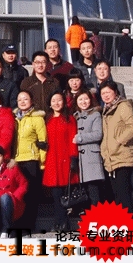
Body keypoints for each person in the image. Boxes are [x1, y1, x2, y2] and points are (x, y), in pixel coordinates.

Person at [100, 80, 133, 214]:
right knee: (117, 195)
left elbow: (132, 127)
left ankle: (128, 223)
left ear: (115, 92)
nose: (106, 95)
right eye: (103, 93)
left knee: (123, 194)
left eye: (108, 92)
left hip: (123, 156)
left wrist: (118, 141)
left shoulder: (123, 106)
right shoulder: (106, 110)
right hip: (111, 158)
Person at [43, 92, 79, 232]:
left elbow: (72, 139)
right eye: (53, 100)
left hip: (65, 159)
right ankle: (60, 221)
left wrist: (73, 157)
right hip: (52, 159)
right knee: (55, 193)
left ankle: (63, 222)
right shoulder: (47, 119)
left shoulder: (69, 119)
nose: (56, 103)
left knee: (65, 193)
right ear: (49, 103)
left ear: (64, 102)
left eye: (59, 100)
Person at [12, 90, 47, 231]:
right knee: (19, 193)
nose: (22, 102)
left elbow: (43, 142)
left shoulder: (37, 118)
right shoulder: (14, 119)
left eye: (25, 99)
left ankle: (29, 224)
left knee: (31, 194)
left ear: (31, 101)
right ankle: (19, 223)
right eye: (20, 99)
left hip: (31, 159)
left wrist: (42, 163)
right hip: (17, 159)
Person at [72, 89, 105, 207]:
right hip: (79, 159)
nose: (83, 102)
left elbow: (98, 134)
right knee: (84, 194)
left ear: (91, 100)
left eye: (86, 99)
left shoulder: (95, 115)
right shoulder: (75, 116)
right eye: (80, 99)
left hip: (91, 158)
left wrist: (80, 138)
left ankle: (96, 216)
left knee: (94, 192)